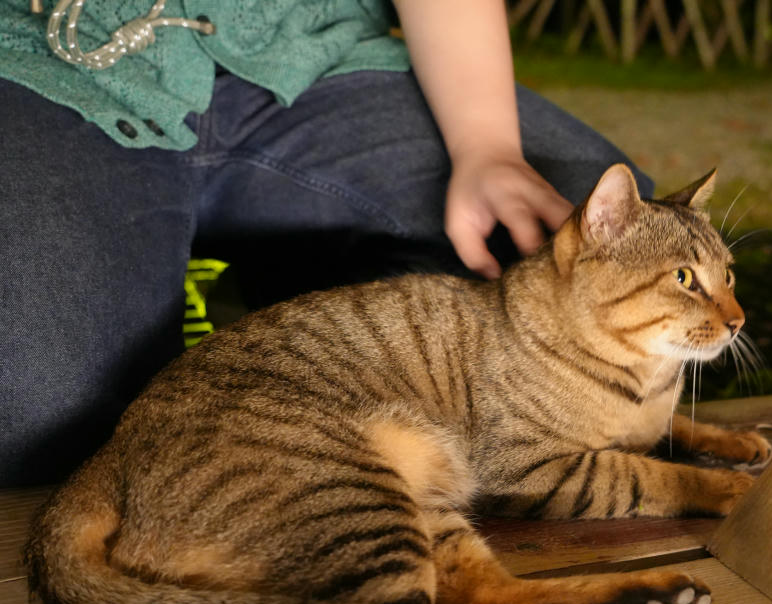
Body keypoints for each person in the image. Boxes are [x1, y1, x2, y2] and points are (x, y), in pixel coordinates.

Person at [0, 0, 654, 487]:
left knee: (608, 244)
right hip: (46, 60)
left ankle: (318, 352)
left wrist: (486, 144)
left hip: (316, 58)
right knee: (35, 411)